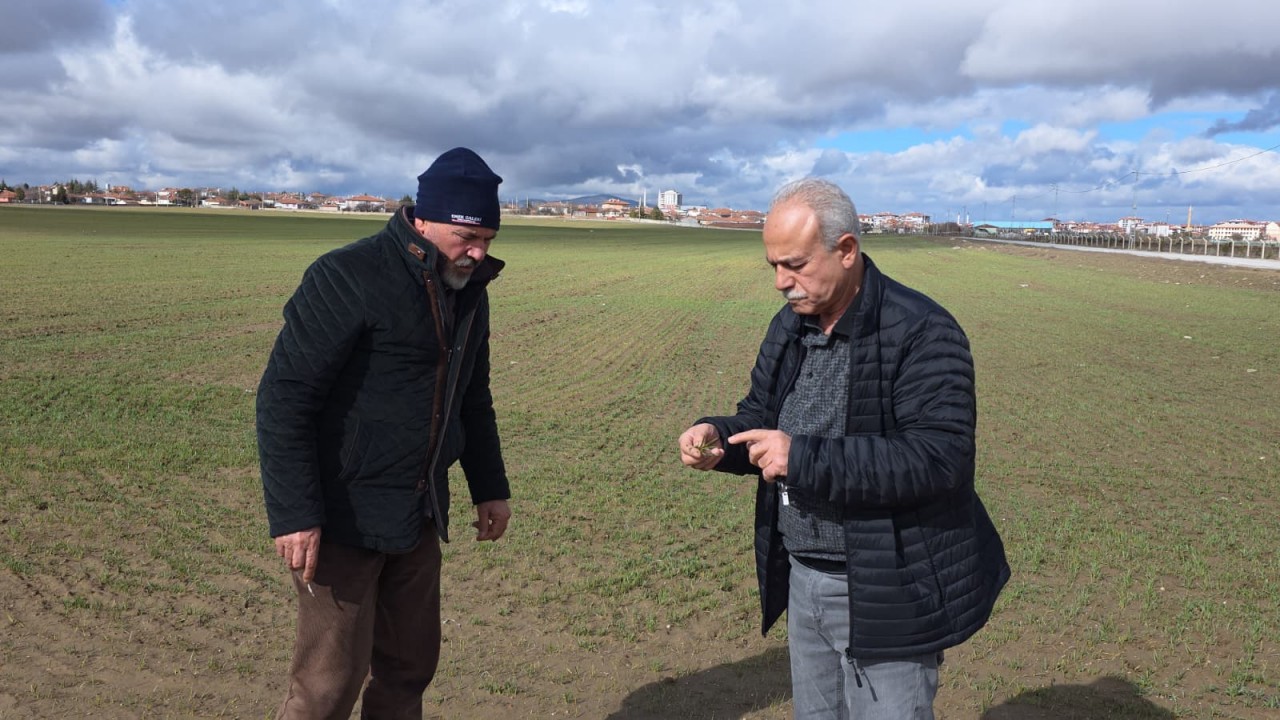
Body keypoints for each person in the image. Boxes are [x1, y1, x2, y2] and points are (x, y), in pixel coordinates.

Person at [678, 178, 1009, 719]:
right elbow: (762, 419)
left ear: (847, 250)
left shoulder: (922, 330)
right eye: (773, 267)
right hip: (805, 577)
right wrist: (719, 438)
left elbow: (938, 459)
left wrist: (802, 458)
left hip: (887, 585)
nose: (781, 283)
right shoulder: (790, 326)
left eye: (795, 265)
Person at [257, 147, 513, 719]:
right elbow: (283, 398)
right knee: (326, 687)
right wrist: (296, 514)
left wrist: (489, 486)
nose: (477, 254)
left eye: (489, 240)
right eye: (466, 237)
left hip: (419, 515)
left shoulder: (468, 291)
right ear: (422, 220)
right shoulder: (346, 277)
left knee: (408, 670)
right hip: (344, 518)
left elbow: (473, 396)